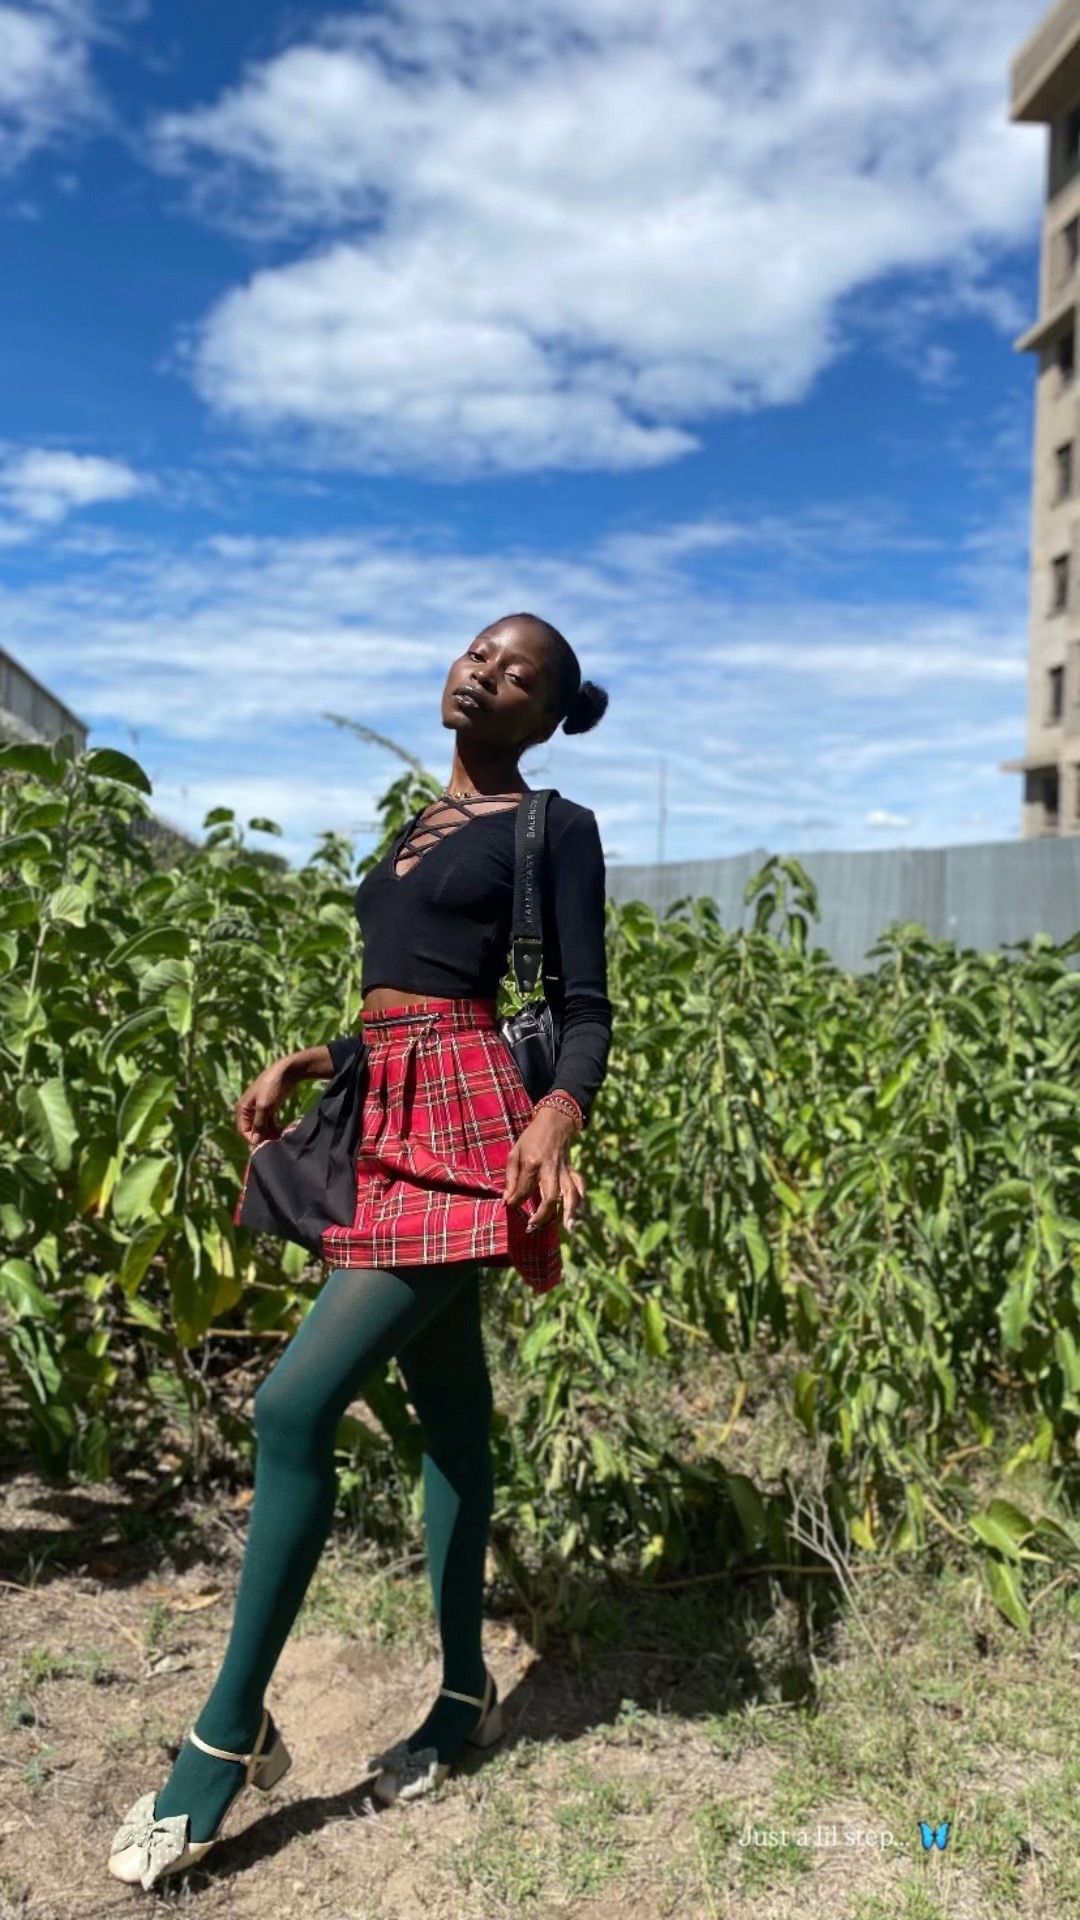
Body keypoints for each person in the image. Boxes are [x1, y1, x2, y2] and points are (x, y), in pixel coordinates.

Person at [107, 612, 613, 1890]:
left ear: (545, 717)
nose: (484, 672)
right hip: (385, 1110)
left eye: (519, 675)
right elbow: (412, 994)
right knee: (451, 1421)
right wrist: (317, 1055)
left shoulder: (552, 827)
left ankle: (225, 1740)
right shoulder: (412, 830)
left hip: (467, 1138)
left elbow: (583, 1005)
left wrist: (557, 1115)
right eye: (477, 652)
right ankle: (460, 1695)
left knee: (290, 1409)